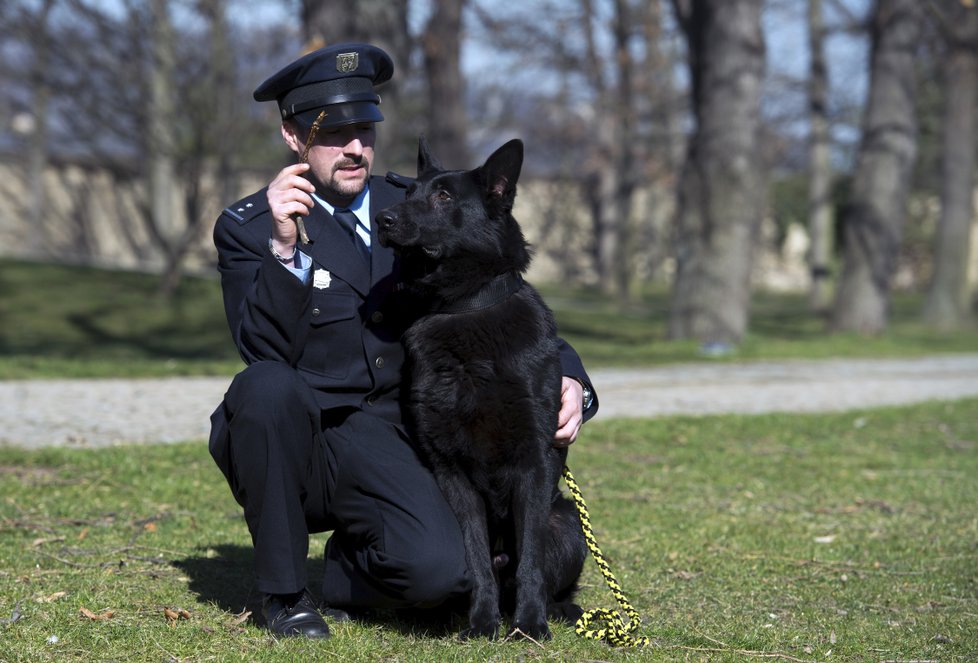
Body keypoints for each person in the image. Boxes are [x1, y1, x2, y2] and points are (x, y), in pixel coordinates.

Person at [208, 42, 599, 639]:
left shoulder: (416, 205)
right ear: (293, 137)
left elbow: (499, 292)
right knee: (264, 388)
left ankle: (348, 571)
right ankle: (285, 594)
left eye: (364, 128)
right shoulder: (253, 226)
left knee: (441, 575)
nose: (354, 147)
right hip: (308, 440)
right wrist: (285, 249)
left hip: (396, 439)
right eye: (333, 132)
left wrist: (570, 377)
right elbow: (260, 347)